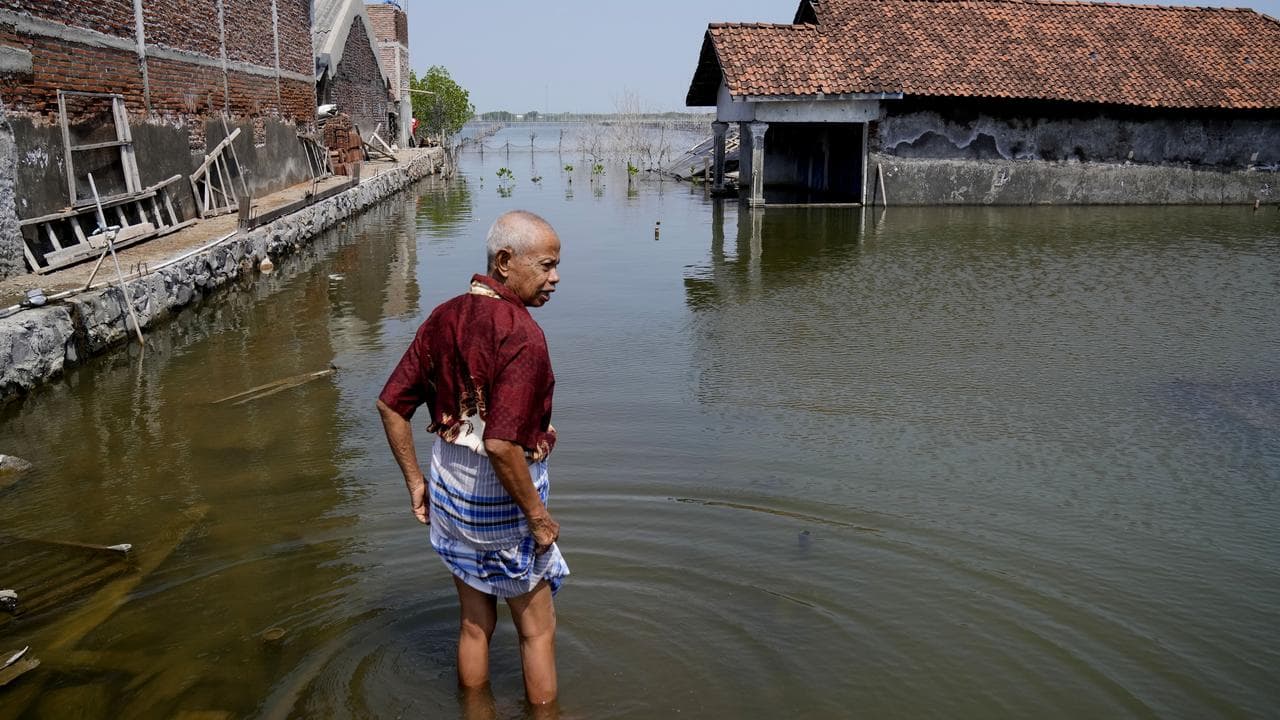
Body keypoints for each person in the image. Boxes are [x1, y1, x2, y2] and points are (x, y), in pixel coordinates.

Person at [376, 210, 566, 707]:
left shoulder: (446, 316)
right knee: (537, 630)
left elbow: (391, 405)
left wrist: (416, 482)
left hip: (451, 492)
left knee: (475, 623)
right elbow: (501, 445)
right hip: (500, 501)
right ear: (505, 262)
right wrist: (539, 518)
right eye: (546, 266)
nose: (555, 278)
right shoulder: (521, 334)